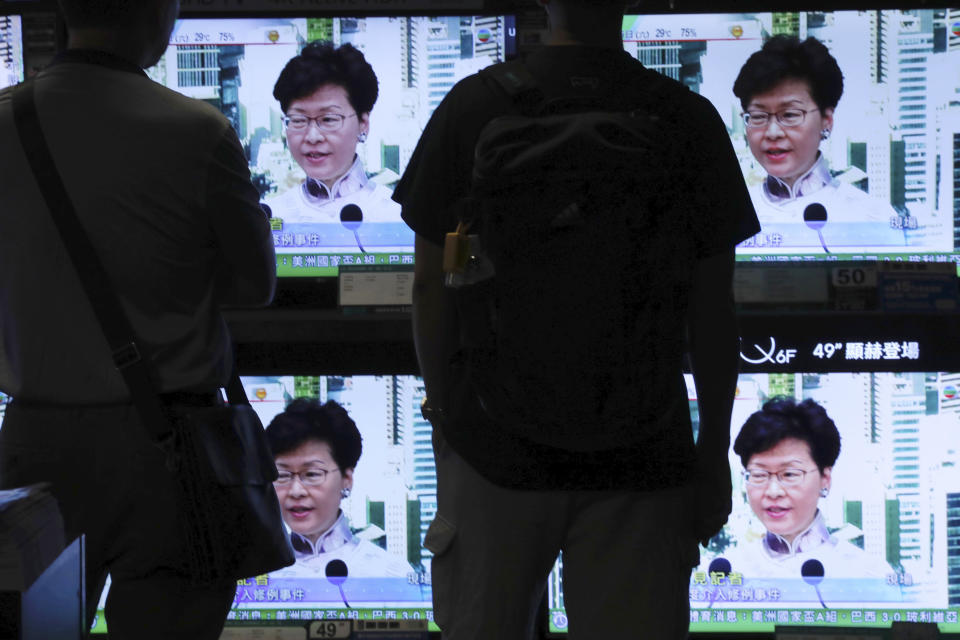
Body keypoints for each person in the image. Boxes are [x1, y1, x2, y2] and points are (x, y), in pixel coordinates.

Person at [393, 0, 760, 637]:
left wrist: (446, 412)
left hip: (494, 452)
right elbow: (712, 310)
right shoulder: (684, 117)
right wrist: (712, 452)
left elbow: (431, 286)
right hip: (644, 454)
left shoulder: (474, 107)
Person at [0, 1, 275, 638]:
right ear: (161, 16)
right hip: (168, 448)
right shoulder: (197, 129)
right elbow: (255, 285)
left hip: (33, 441)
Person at [733, 35, 905, 252]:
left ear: (827, 121)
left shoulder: (874, 216)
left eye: (789, 114)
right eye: (758, 116)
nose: (772, 132)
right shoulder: (729, 215)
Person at [719, 398, 901, 600]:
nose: (773, 491)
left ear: (825, 478)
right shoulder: (725, 572)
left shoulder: (870, 575)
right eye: (759, 475)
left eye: (789, 474)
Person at [267, 41, 402, 248]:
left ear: (363, 124)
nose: (312, 137)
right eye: (298, 120)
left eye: (328, 119)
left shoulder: (397, 215)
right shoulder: (271, 215)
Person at [264, 398, 414, 579]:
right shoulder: (255, 573)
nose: (296, 491)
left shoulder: (390, 573)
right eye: (282, 475)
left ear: (346, 479)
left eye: (312, 474)